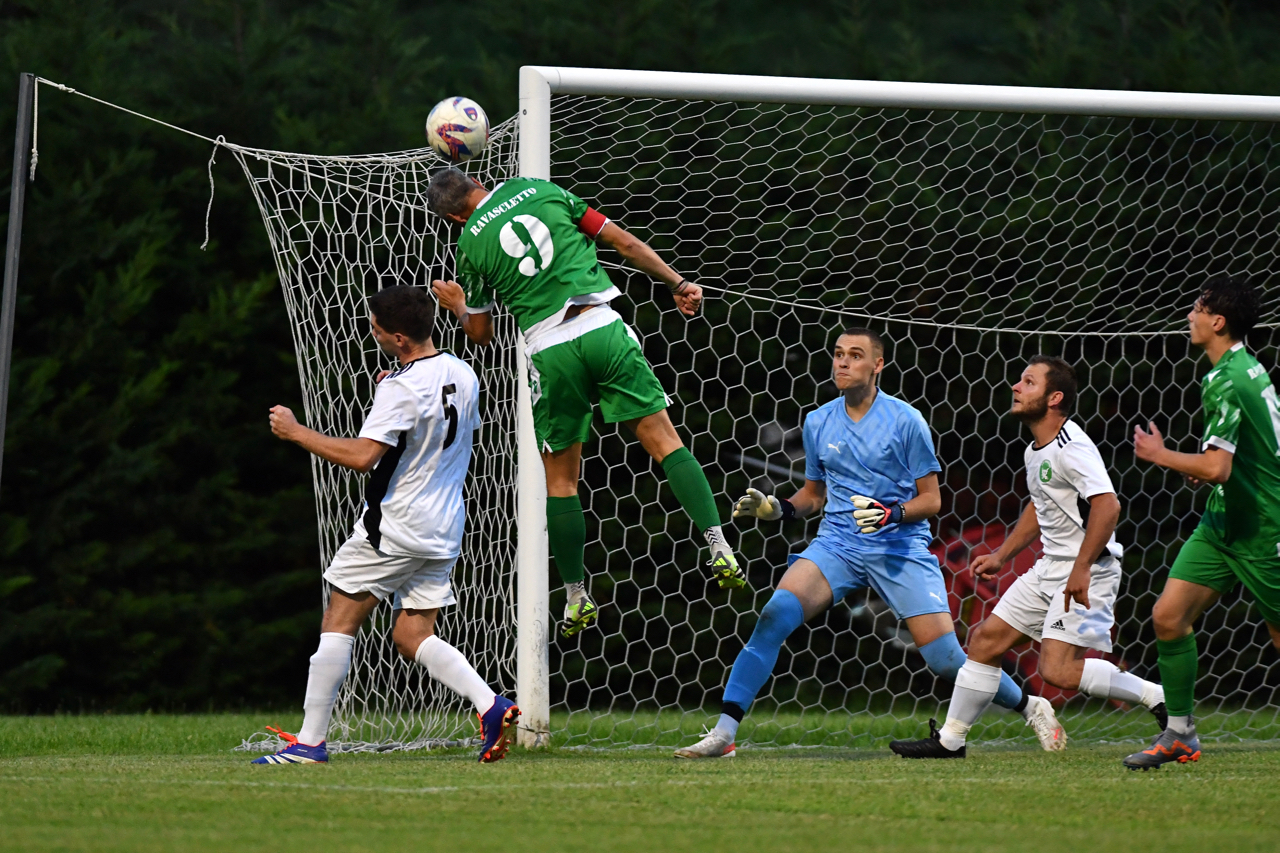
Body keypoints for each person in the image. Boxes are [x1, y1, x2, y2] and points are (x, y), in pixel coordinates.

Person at [674, 328, 1057, 759]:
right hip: (837, 545)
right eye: (838, 353)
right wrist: (778, 509)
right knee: (773, 616)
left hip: (899, 548)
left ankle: (1030, 706)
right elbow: (813, 496)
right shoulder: (818, 421)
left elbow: (931, 500)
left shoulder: (906, 421)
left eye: (855, 355)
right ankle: (724, 735)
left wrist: (891, 514)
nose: (842, 362)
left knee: (946, 660)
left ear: (877, 365)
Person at [425, 167, 743, 639]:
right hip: (601, 328)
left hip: (549, 351)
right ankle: (718, 544)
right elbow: (624, 243)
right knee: (666, 443)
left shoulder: (469, 243)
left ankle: (576, 596)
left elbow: (481, 333)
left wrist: (456, 304)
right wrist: (677, 284)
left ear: (454, 216)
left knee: (561, 482)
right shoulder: (538, 190)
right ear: (477, 182)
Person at [252, 285, 518, 765]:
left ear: (398, 338)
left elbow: (362, 457)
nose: (371, 333)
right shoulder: (462, 371)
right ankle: (491, 704)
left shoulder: (400, 387)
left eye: (376, 328)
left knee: (338, 621)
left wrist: (296, 432)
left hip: (396, 525)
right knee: (411, 636)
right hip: (444, 526)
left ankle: (309, 743)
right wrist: (396, 390)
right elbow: (433, 425)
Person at [889, 356, 1165, 760]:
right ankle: (951, 740)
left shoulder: (1072, 446)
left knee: (1058, 671)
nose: (1016, 387)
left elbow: (1108, 506)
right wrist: (1001, 555)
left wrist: (1082, 568)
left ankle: (1157, 696)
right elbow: (1040, 507)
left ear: (1054, 398)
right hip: (1050, 567)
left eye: (1029, 382)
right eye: (1020, 380)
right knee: (985, 641)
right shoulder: (1035, 450)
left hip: (1088, 569)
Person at [1124, 277, 1278, 770]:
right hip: (1222, 522)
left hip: (1263, 528)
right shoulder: (1244, 366)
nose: (1189, 316)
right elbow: (1230, 459)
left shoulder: (1226, 378)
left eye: (1197, 308)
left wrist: (1161, 454)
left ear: (1218, 321)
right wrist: (1206, 470)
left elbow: (1218, 468)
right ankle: (1180, 734)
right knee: (1168, 617)